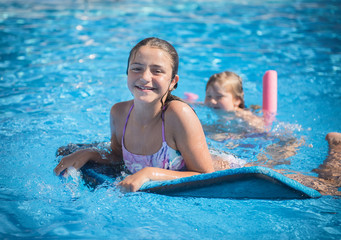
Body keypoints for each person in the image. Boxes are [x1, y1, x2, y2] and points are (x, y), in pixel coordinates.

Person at [54, 37, 214, 192]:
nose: (144, 77)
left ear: (173, 81)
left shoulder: (179, 114)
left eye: (157, 71)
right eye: (137, 69)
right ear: (127, 73)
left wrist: (150, 174)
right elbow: (118, 156)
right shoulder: (119, 113)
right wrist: (88, 153)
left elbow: (206, 176)